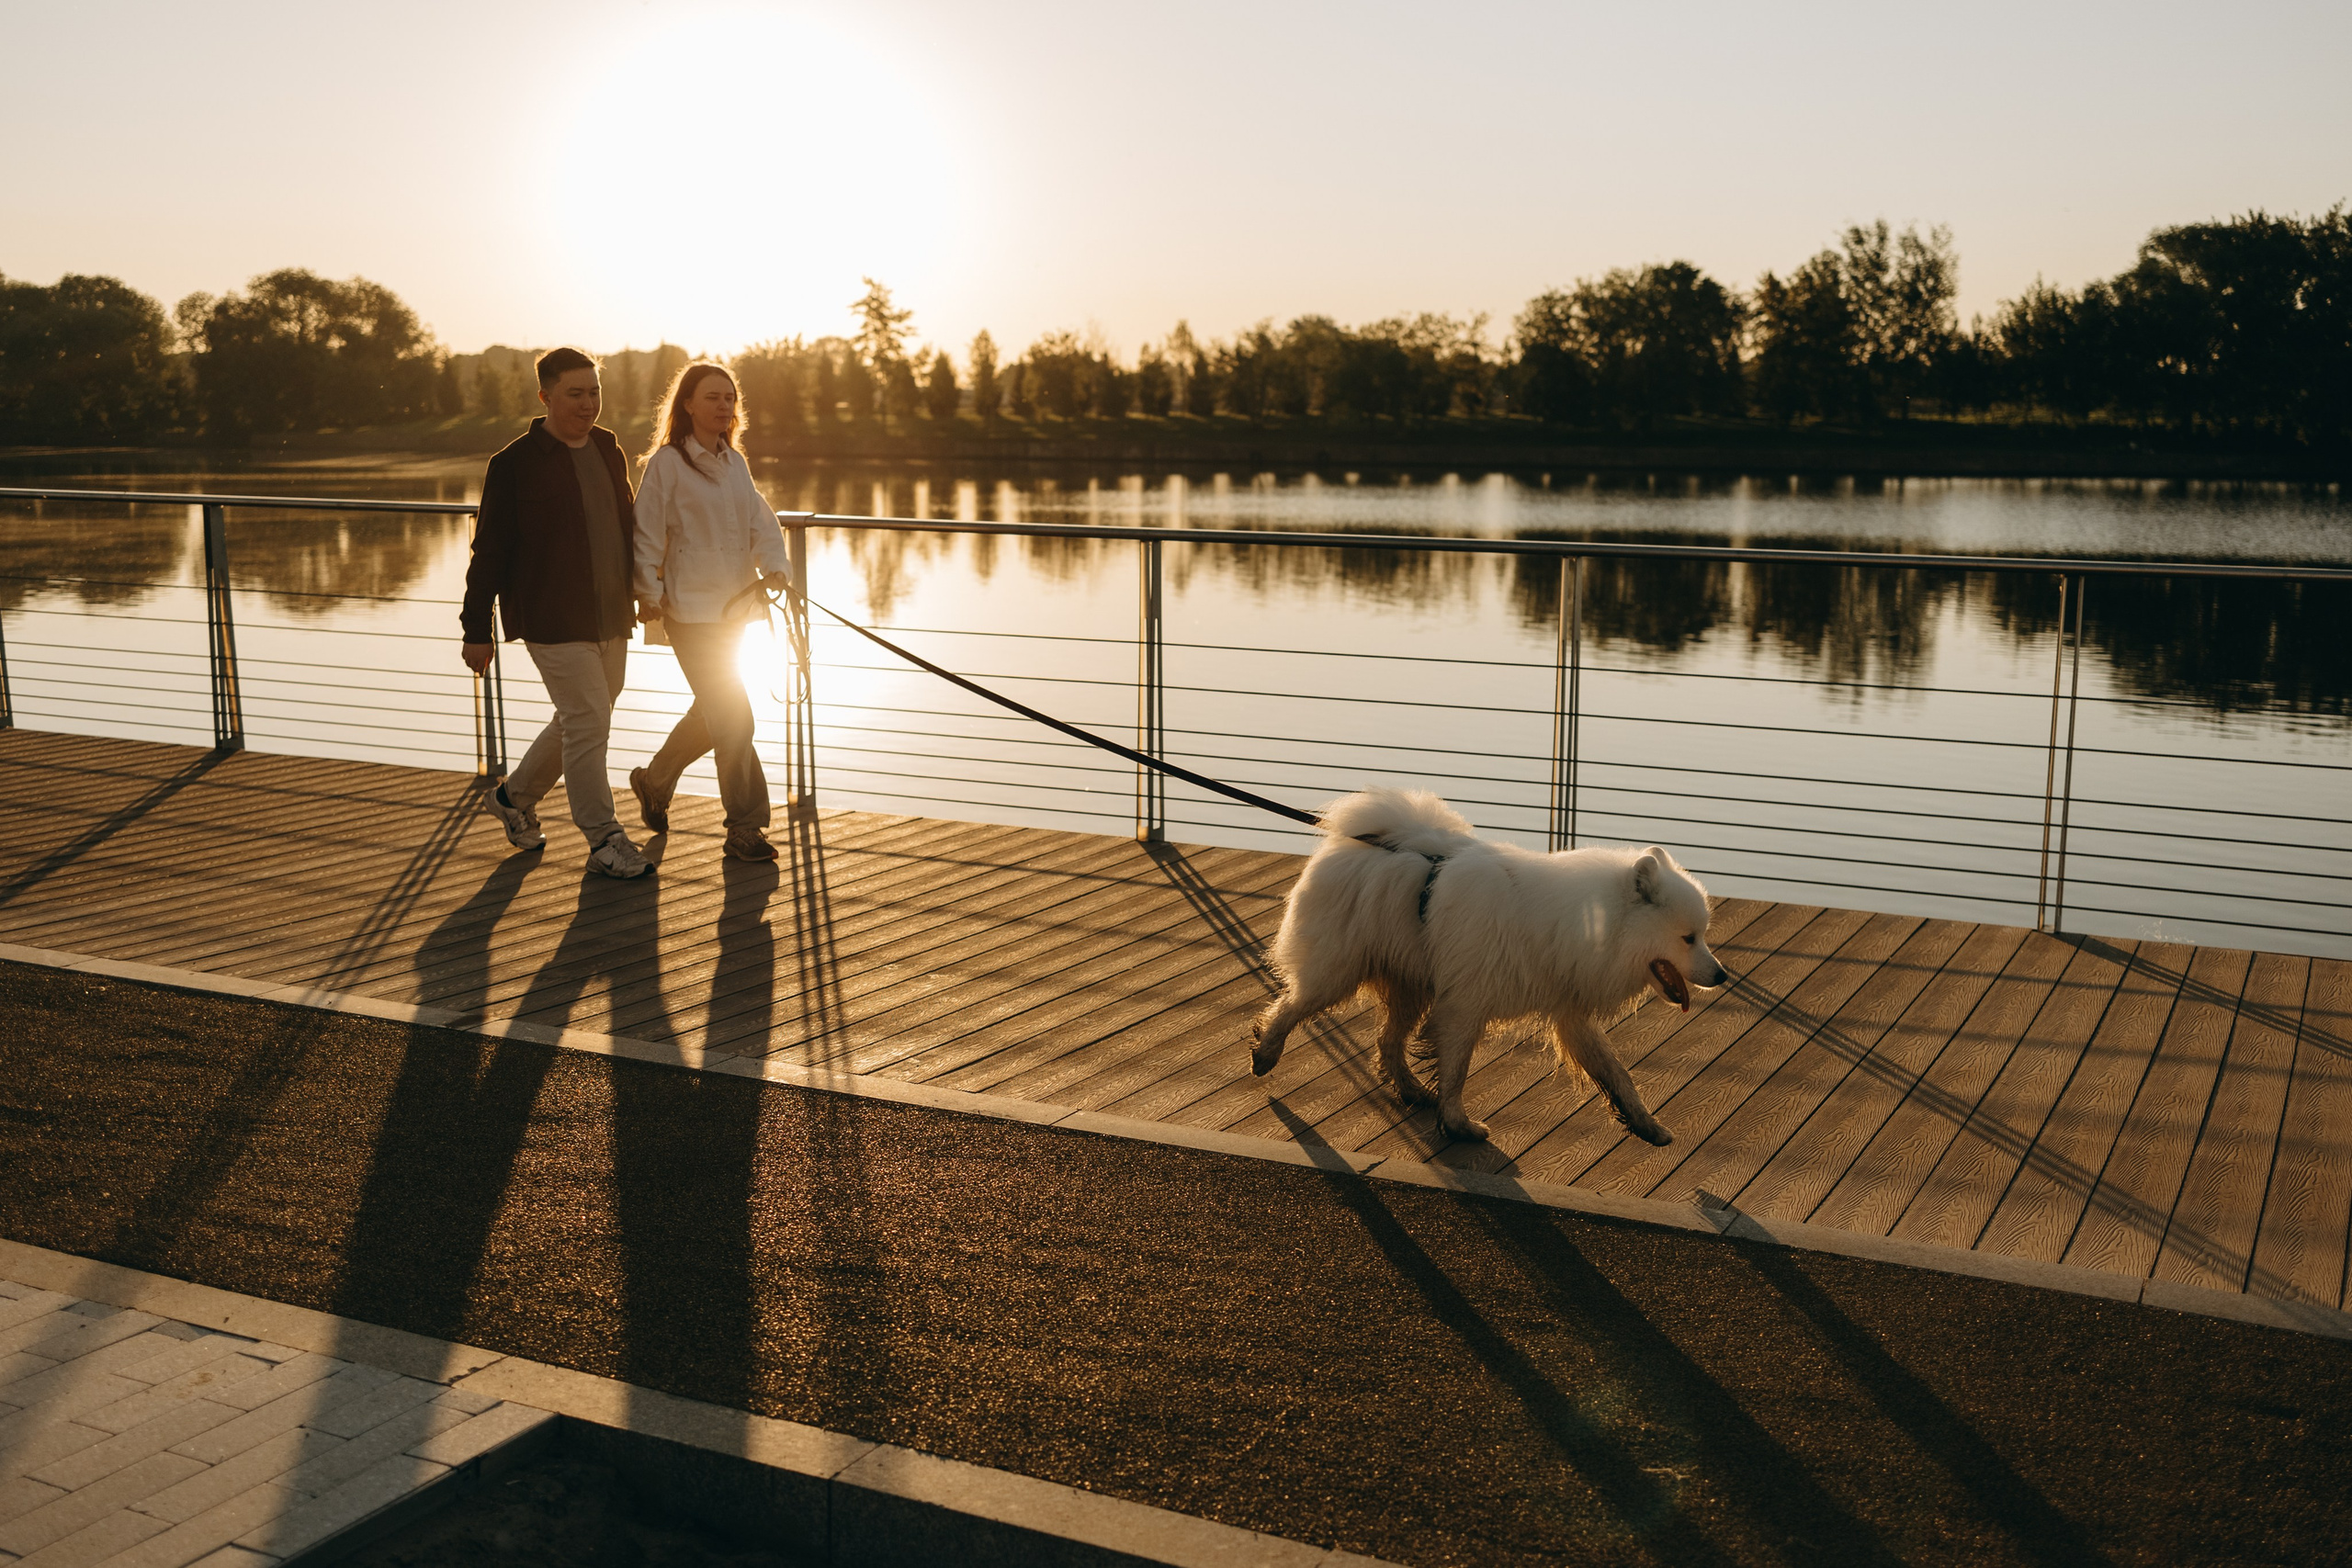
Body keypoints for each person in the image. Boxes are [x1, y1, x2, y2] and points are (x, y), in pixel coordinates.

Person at [459, 346, 653, 879]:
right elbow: (491, 550)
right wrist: (476, 628)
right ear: (545, 396)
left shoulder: (608, 449)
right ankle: (603, 839)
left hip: (611, 613)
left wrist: (649, 589)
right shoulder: (513, 464)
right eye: (576, 394)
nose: (589, 404)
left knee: (583, 717)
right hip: (551, 617)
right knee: (589, 719)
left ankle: (513, 797)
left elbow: (629, 524)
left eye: (595, 392)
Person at [627, 362, 788, 862]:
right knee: (734, 715)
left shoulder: (734, 463)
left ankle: (655, 781)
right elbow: (647, 532)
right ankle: (745, 826)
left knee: (716, 711)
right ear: (688, 405)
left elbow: (761, 522)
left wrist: (777, 566)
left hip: (736, 609)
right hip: (688, 611)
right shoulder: (667, 464)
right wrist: (646, 590)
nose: (724, 406)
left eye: (729, 398)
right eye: (712, 397)